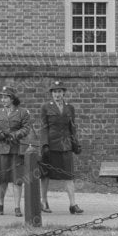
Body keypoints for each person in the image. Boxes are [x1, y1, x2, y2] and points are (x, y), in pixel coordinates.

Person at [43, 79, 84, 214]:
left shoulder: (69, 108)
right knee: (45, 175)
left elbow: (72, 127)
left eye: (59, 92)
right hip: (51, 146)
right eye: (54, 92)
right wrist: (44, 145)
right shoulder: (46, 107)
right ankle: (44, 202)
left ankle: (73, 204)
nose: (57, 95)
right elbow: (44, 128)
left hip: (65, 146)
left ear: (63, 93)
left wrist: (75, 143)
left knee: (69, 175)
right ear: (51, 94)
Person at [0, 88, 30, 217]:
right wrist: (0, 134)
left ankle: (17, 207)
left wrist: (16, 134)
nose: (3, 100)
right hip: (2, 150)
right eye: (1, 97)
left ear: (12, 99)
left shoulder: (23, 112)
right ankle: (0, 204)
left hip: (16, 150)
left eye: (5, 97)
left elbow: (26, 128)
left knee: (17, 179)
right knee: (2, 179)